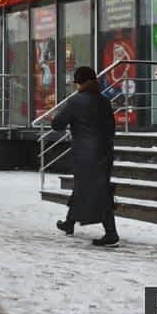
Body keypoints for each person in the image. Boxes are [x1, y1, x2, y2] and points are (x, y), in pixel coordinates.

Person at [52, 66, 119, 247]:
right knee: (85, 187)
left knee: (99, 192)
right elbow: (111, 128)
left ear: (80, 83)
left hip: (85, 154)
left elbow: (57, 124)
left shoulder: (75, 102)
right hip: (104, 152)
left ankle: (111, 233)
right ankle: (69, 222)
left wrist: (55, 118)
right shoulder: (104, 101)